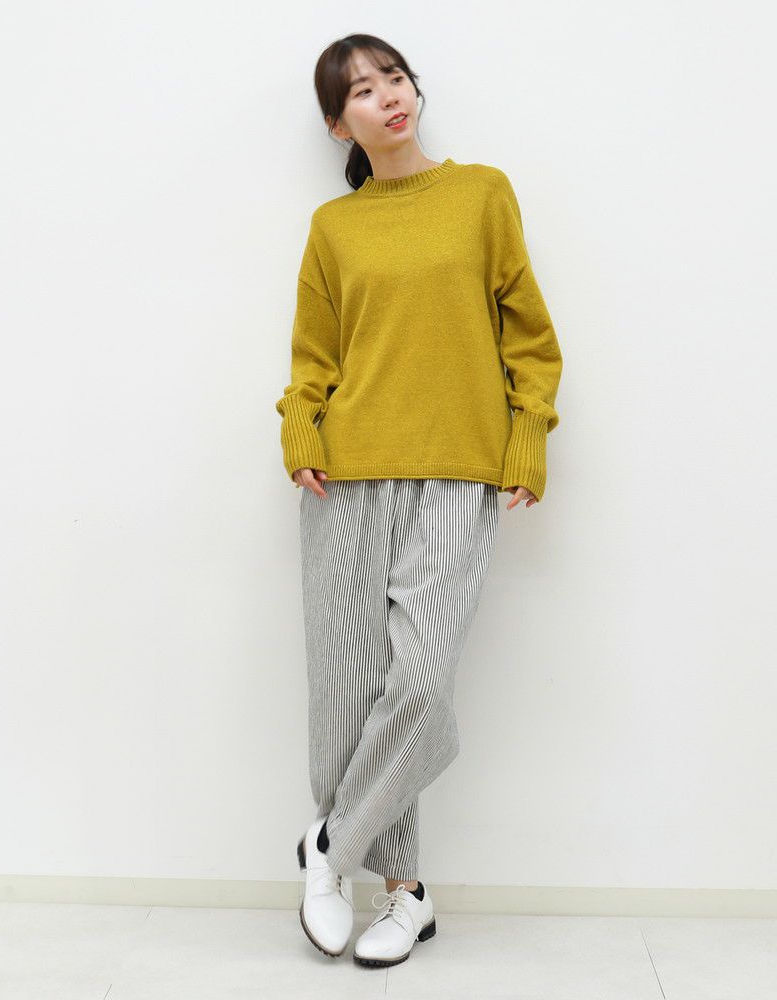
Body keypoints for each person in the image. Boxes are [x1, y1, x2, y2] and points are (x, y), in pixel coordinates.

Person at [276, 33, 563, 968]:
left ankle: (330, 850)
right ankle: (405, 896)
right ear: (339, 125)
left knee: (422, 680)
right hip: (346, 472)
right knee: (348, 694)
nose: (388, 97)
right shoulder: (334, 227)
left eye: (394, 78)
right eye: (362, 91)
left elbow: (529, 336)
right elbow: (314, 357)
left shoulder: (482, 194)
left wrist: (527, 436)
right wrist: (300, 432)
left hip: (457, 470)